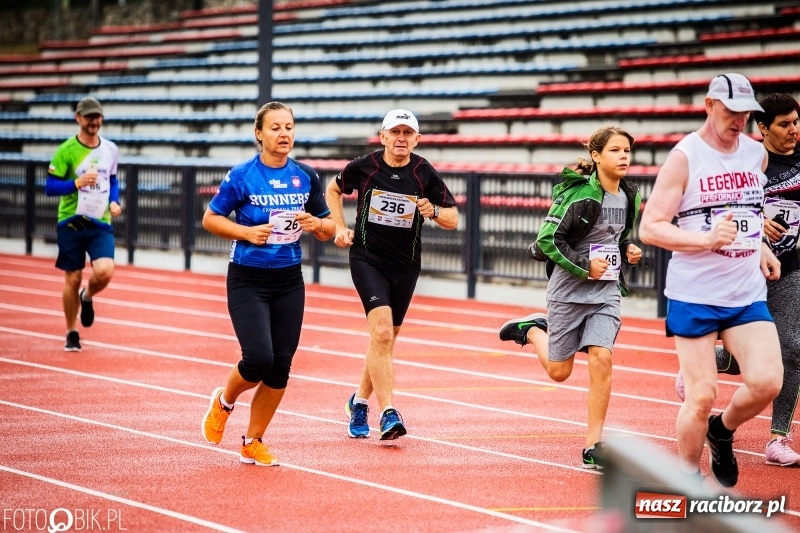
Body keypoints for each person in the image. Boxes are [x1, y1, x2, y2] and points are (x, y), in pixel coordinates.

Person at [639, 73, 784, 488]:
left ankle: (722, 430)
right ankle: (688, 479)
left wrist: (760, 248)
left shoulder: (756, 155)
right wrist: (703, 240)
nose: (739, 120)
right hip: (695, 294)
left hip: (744, 292)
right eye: (731, 111)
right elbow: (651, 227)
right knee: (701, 395)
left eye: (747, 114)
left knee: (767, 382)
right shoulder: (685, 157)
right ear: (709, 105)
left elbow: (748, 211)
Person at [498, 126, 642, 469]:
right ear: (596, 156)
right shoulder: (579, 195)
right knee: (560, 372)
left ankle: (594, 444)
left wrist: (628, 250)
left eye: (627, 151)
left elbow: (614, 238)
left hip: (606, 293)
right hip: (568, 292)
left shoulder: (631, 196)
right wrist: (583, 267)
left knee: (602, 358)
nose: (624, 157)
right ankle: (533, 329)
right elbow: (547, 240)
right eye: (615, 150)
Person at [200, 101, 335, 466]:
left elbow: (328, 228)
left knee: (281, 365)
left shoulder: (306, 175)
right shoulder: (242, 175)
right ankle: (224, 402)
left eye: (289, 126)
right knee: (259, 358)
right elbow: (210, 219)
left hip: (289, 280)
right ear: (259, 134)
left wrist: (317, 225)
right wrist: (245, 231)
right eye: (275, 127)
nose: (284, 134)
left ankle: (253, 441)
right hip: (248, 278)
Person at [674, 93, 800, 466]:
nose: (793, 130)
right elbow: (718, 200)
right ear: (763, 128)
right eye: (784, 124)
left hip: (790, 267)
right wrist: (755, 220)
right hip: (743, 267)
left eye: (796, 122)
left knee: (792, 349)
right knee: (757, 357)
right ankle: (706, 361)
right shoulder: (747, 159)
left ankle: (778, 439)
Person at [326, 109, 459, 440]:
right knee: (382, 333)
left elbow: (453, 218)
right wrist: (340, 228)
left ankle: (358, 402)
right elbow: (332, 189)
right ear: (383, 136)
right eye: (395, 132)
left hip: (406, 265)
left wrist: (436, 211)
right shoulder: (364, 166)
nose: (401, 138)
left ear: (417, 139)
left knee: (384, 340)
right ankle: (388, 413)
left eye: (407, 133)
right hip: (367, 259)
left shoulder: (423, 171)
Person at [44, 96, 122, 352]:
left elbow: (113, 180)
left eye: (97, 117)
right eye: (89, 117)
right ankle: (71, 331)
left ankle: (87, 297)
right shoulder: (66, 150)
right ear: (78, 118)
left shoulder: (110, 149)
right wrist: (75, 184)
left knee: (105, 271)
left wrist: (114, 201)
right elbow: (49, 187)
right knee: (73, 276)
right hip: (71, 220)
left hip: (100, 220)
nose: (94, 122)